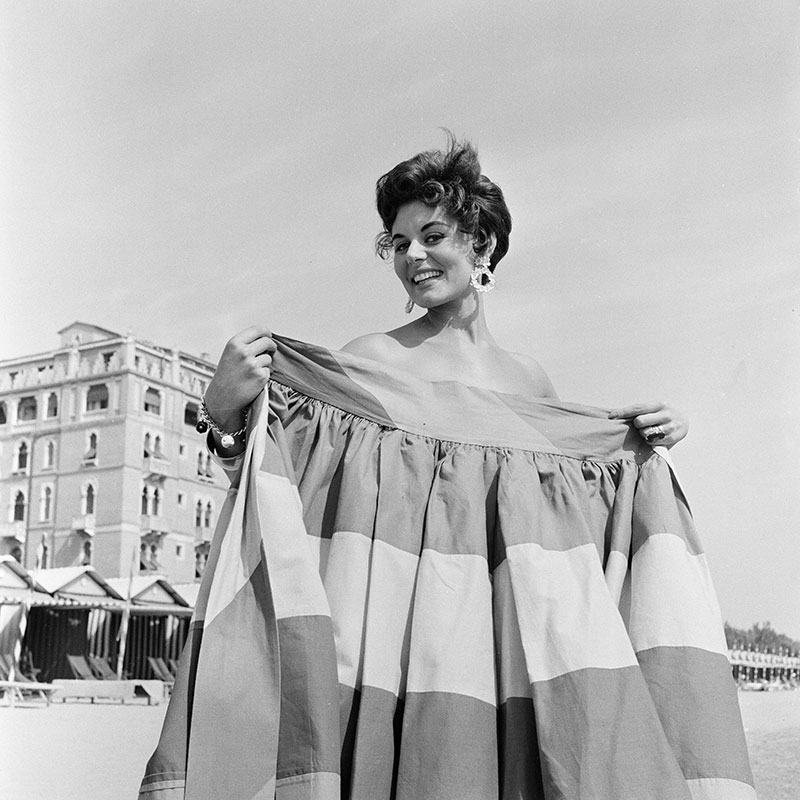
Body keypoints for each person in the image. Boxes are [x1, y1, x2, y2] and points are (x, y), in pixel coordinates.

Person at [139, 138, 754, 800]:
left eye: (432, 236)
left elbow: (568, 531)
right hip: (389, 646)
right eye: (399, 243)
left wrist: (645, 451)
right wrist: (221, 413)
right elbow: (289, 489)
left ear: (481, 243)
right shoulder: (372, 363)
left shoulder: (529, 383)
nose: (412, 256)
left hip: (496, 652)